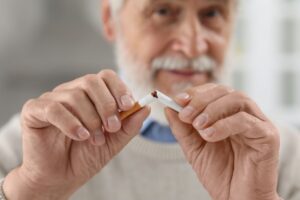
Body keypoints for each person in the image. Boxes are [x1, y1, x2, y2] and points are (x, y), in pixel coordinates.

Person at [0, 0, 300, 199]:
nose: (193, 46)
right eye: (162, 12)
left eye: (212, 14)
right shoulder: (30, 146)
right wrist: (34, 189)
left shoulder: (278, 156)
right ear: (110, 21)